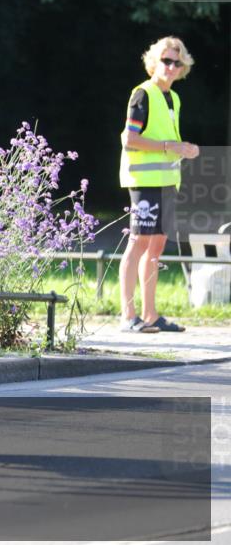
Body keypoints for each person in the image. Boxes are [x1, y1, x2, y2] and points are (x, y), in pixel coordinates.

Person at [118, 36, 199, 333]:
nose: (171, 67)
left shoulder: (173, 98)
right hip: (144, 181)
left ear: (183, 67)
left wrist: (184, 148)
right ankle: (128, 316)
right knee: (138, 243)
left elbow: (168, 141)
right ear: (154, 62)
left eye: (177, 62)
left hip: (167, 182)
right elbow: (129, 138)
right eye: (166, 60)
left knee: (156, 247)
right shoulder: (142, 93)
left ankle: (150, 315)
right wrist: (170, 147)